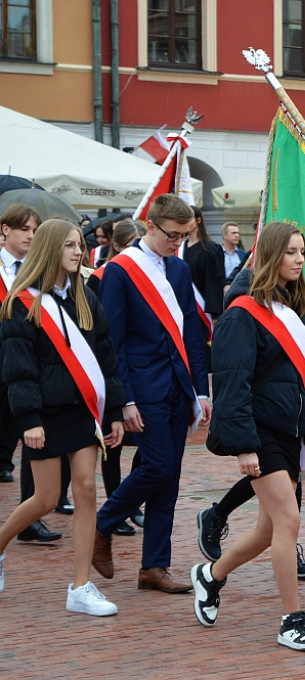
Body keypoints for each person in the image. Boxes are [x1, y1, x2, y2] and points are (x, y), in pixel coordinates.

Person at [191, 221, 305, 651]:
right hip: (261, 433)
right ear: (271, 255)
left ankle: (209, 577)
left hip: (291, 435)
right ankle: (292, 620)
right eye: (291, 252)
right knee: (289, 521)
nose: (299, 260)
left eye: (302, 252)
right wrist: (245, 445)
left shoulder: (299, 315)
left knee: (269, 532)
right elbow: (233, 383)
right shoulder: (241, 314)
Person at [0, 219, 126, 615]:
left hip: (83, 412)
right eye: (69, 245)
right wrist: (29, 419)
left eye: (80, 245)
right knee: (46, 498)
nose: (78, 251)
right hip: (45, 414)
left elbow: (106, 358)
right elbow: (19, 370)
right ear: (50, 249)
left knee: (88, 489)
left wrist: (115, 413)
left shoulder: (86, 297)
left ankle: (80, 586)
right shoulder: (21, 303)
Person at [92, 193, 212, 595]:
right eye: (172, 235)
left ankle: (154, 566)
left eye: (183, 236)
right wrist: (123, 399)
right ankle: (104, 523)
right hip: (142, 388)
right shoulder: (121, 270)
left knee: (170, 478)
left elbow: (190, 334)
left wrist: (201, 389)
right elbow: (113, 341)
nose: (176, 244)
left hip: (178, 385)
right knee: (158, 466)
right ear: (150, 226)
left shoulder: (178, 269)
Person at [0, 204, 62, 541]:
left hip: (26, 367)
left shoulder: (41, 273)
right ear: (5, 229)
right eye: (23, 228)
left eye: (35, 230)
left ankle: (29, 515)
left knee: (31, 436)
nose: (30, 235)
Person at [87, 219, 147, 537]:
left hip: (138, 372)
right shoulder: (100, 278)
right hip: (108, 370)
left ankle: (129, 501)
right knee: (113, 442)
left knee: (145, 443)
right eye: (132, 245)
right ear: (119, 246)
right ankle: (116, 504)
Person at [181, 206, 226, 331]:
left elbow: (215, 282)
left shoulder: (211, 249)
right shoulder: (179, 248)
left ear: (198, 220)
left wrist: (215, 313)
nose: (185, 223)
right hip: (182, 306)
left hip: (203, 310)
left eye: (188, 219)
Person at [220, 222, 248, 290]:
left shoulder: (243, 255)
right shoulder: (217, 254)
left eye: (238, 233)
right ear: (224, 236)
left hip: (239, 292)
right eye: (233, 233)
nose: (237, 235)